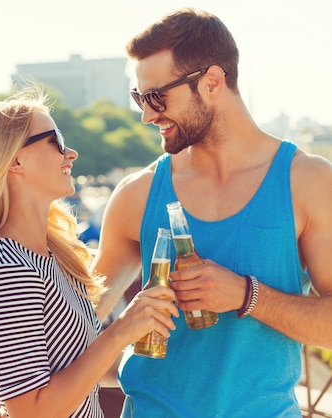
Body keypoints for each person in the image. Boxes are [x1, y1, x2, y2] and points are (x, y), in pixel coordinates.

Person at [91, 8, 332, 417]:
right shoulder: (138, 193)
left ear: (212, 81)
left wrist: (245, 295)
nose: (147, 114)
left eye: (156, 97)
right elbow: (81, 319)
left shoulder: (308, 182)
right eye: (139, 99)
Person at [0, 90, 178, 418]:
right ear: (15, 160)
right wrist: (122, 329)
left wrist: (175, 372)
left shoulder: (48, 257)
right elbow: (33, 411)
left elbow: (77, 370)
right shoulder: (4, 269)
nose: (71, 153)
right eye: (56, 140)